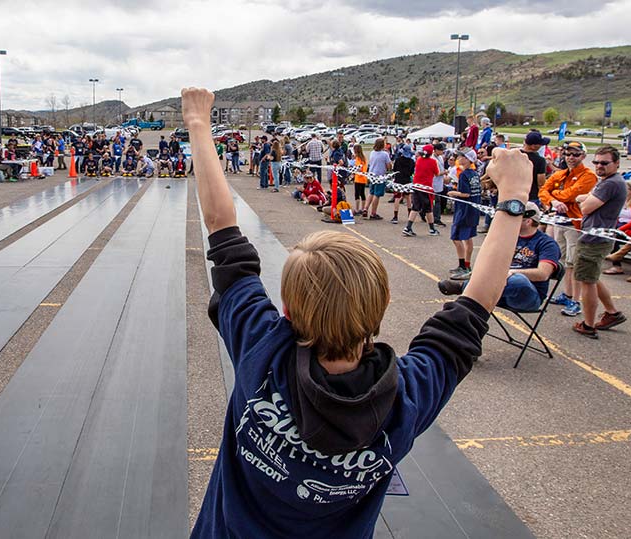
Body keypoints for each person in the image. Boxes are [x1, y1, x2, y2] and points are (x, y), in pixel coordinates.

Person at [182, 86, 534, 539]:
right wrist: (514, 195)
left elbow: (221, 226)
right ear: (382, 306)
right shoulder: (407, 396)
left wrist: (198, 124)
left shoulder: (262, 348)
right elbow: (480, 299)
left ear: (287, 310)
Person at [439, 201, 561, 311]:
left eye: (515, 219)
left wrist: (511, 272)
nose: (510, 222)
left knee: (518, 280)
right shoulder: (509, 237)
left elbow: (543, 274)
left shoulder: (547, 243)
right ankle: (462, 305)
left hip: (527, 296)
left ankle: (463, 288)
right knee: (489, 270)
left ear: (528, 221)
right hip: (500, 290)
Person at [571, 146, 628, 338]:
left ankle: (588, 325)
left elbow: (585, 207)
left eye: (605, 163)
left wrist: (582, 200)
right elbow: (584, 199)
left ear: (617, 163)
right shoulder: (607, 181)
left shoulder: (610, 183)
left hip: (595, 239)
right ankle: (612, 313)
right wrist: (583, 198)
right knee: (592, 277)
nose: (599, 166)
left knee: (586, 281)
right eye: (596, 162)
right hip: (595, 236)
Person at [538, 141, 597, 316]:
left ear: (583, 156)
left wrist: (553, 196)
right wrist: (554, 201)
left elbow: (572, 195)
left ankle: (575, 300)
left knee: (574, 262)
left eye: (576, 154)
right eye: (568, 154)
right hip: (558, 221)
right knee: (562, 260)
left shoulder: (588, 176)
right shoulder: (561, 174)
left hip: (575, 223)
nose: (571, 158)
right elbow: (543, 191)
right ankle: (567, 293)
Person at [446, 150, 482, 279]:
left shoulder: (464, 174)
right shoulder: (475, 174)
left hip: (465, 210)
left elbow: (466, 194)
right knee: (468, 238)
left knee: (456, 237)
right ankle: (466, 264)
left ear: (468, 159)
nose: (459, 158)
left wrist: (453, 193)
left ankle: (463, 265)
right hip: (473, 210)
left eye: (462, 156)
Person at [402, 144, 440, 235]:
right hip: (425, 188)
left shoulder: (419, 160)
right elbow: (437, 173)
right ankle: (432, 229)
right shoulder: (432, 162)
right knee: (428, 208)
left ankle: (408, 227)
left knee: (415, 207)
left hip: (416, 186)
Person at [363, 138, 390, 220]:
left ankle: (365, 208)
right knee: (377, 194)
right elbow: (388, 165)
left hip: (372, 174)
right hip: (380, 176)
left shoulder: (372, 153)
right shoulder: (385, 154)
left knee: (371, 192)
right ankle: (373, 212)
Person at [521, 131, 548, 205]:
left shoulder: (514, 155)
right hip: (531, 196)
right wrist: (544, 201)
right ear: (533, 146)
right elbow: (541, 183)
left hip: (511, 194)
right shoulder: (540, 160)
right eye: (540, 144)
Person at [391, 144, 415, 221]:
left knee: (397, 197)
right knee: (408, 197)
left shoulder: (398, 160)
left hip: (398, 180)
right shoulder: (411, 161)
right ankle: (409, 214)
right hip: (407, 180)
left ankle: (395, 216)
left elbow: (394, 170)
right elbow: (411, 172)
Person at [431, 143, 447, 227]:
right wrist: (444, 172)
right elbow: (436, 173)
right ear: (436, 150)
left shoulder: (440, 158)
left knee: (436, 201)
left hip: (439, 182)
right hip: (434, 182)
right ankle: (436, 218)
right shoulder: (433, 159)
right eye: (441, 150)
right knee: (436, 201)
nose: (442, 151)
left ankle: (435, 217)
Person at [351, 144, 368, 215]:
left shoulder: (358, 159)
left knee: (357, 194)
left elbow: (358, 168)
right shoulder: (364, 158)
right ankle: (363, 208)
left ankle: (357, 209)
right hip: (363, 178)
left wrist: (353, 171)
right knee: (362, 193)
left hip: (358, 178)